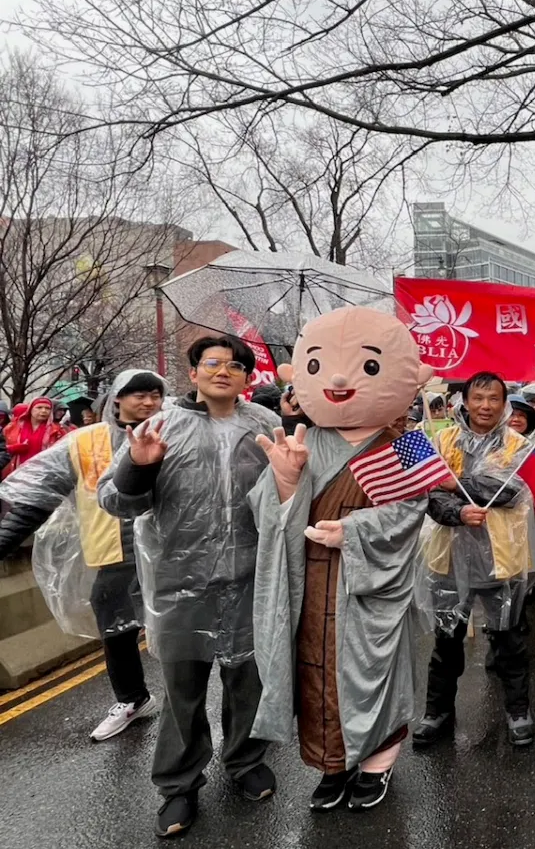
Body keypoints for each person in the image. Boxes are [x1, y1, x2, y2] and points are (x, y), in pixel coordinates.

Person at [97, 335, 280, 838]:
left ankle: (245, 761)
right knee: (183, 691)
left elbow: (286, 502)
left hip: (251, 580)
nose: (224, 370)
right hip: (181, 585)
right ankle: (178, 785)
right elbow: (115, 502)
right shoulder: (159, 427)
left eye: (235, 365)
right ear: (194, 373)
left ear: (248, 377)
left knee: (248, 683)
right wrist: (142, 464)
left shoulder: (268, 427)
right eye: (212, 363)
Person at [250, 308, 432, 813]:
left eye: (369, 368)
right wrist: (286, 486)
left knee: (376, 667)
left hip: (374, 581)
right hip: (311, 579)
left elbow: (413, 510)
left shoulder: (410, 445)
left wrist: (355, 531)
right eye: (318, 367)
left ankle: (377, 759)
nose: (336, 379)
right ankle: (332, 762)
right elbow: (265, 512)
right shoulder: (302, 440)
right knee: (316, 667)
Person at [0, 370, 166, 742]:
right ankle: (133, 699)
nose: (147, 401)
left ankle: (198, 708)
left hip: (173, 556)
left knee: (184, 632)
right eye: (136, 393)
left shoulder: (180, 433)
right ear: (115, 400)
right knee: (114, 623)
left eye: (155, 393)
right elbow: (34, 499)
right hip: (115, 554)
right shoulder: (84, 442)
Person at [414, 372, 535, 748]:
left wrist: (457, 483)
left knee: (510, 641)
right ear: (464, 400)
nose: (485, 406)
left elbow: (508, 488)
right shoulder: (443, 439)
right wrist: (458, 513)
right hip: (451, 557)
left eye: (494, 398)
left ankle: (518, 710)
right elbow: (429, 493)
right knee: (446, 641)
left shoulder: (518, 444)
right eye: (478, 398)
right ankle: (437, 711)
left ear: (504, 403)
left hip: (501, 557)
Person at [4, 397, 67, 475]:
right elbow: (2, 449)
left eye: (47, 408)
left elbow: (63, 454)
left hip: (43, 473)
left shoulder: (57, 431)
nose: (43, 411)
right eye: (39, 407)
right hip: (16, 471)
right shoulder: (13, 427)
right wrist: (13, 448)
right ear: (30, 409)